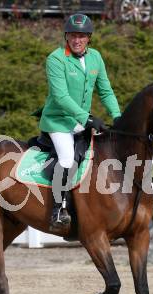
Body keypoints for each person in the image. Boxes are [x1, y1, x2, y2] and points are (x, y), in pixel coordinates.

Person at [39, 13, 121, 229]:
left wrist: (117, 116)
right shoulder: (56, 59)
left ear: (89, 38)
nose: (77, 40)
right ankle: (58, 210)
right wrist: (88, 118)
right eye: (73, 36)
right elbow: (61, 97)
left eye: (82, 36)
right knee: (67, 160)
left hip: (80, 122)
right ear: (67, 37)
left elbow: (106, 91)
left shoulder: (96, 58)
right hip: (58, 122)